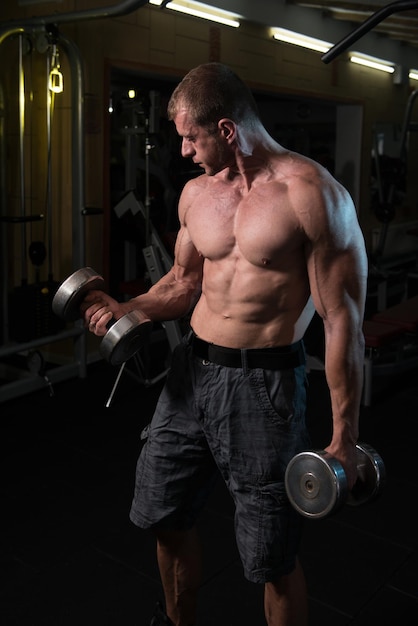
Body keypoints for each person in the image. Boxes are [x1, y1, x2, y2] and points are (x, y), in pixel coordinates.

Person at [81, 62, 368, 626]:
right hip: (190, 376)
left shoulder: (313, 196)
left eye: (192, 136)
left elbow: (342, 321)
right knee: (162, 512)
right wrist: (127, 308)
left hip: (264, 387)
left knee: (270, 555)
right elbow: (184, 282)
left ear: (227, 130)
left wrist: (344, 437)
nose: (185, 151)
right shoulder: (196, 194)